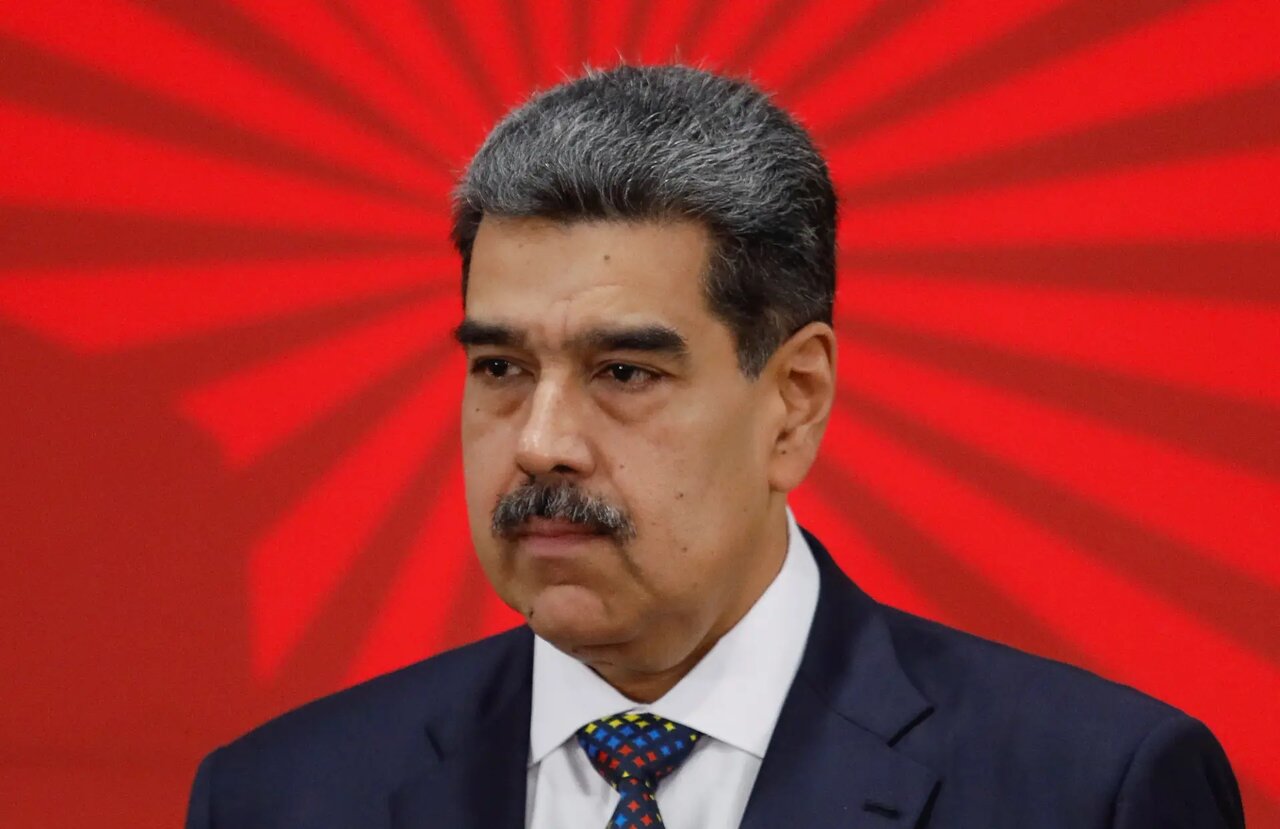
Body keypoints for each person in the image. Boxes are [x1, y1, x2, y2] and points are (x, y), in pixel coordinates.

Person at [185, 64, 1243, 829]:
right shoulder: (280, 796)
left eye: (623, 372)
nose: (541, 443)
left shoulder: (1089, 790)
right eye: (501, 367)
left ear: (793, 402)